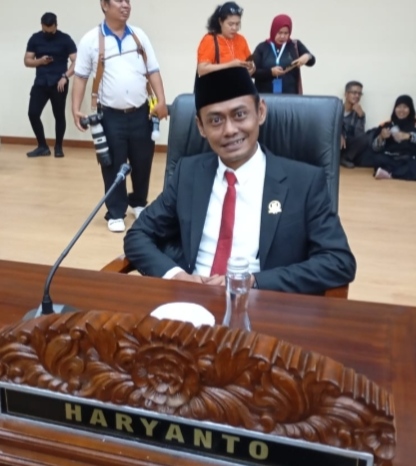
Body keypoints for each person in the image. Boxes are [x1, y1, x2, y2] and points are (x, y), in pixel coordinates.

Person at [124, 67, 356, 294]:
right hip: (190, 300)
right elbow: (138, 234)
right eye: (215, 120)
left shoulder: (304, 182)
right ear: (201, 127)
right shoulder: (188, 173)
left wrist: (253, 282)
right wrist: (177, 277)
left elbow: (338, 261)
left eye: (240, 115)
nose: (229, 130)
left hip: (262, 305)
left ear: (260, 112)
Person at [72, 0, 168, 233]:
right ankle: (115, 212)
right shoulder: (91, 40)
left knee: (142, 160)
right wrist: (75, 108)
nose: (125, 5)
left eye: (128, 1)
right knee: (112, 163)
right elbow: (81, 76)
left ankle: (139, 202)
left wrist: (161, 100)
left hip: (141, 112)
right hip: (110, 115)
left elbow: (153, 70)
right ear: (105, 5)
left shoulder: (139, 36)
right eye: (119, 1)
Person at [24, 12, 77, 158]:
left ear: (56, 25)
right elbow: (27, 60)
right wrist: (40, 61)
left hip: (59, 83)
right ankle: (42, 146)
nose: (48, 32)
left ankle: (58, 147)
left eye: (51, 30)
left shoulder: (65, 39)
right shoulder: (35, 38)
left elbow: (77, 60)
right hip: (41, 82)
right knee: (33, 113)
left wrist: (65, 76)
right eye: (45, 30)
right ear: (41, 25)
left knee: (59, 115)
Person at [252, 14, 315, 95]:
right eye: (279, 32)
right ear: (273, 31)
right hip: (265, 97)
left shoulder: (295, 45)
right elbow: (252, 72)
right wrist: (270, 72)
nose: (282, 36)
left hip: (290, 97)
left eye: (286, 33)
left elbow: (312, 61)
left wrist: (307, 56)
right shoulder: (262, 47)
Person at [197, 2, 255, 77]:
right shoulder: (210, 40)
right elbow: (201, 69)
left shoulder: (241, 39)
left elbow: (249, 63)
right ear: (220, 22)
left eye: (237, 24)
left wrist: (251, 68)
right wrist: (230, 65)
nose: (234, 28)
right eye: (230, 24)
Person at [371, 95, 416, 181]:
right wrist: (381, 137)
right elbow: (375, 148)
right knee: (377, 158)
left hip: (409, 159)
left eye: (405, 107)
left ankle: (389, 174)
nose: (401, 110)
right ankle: (400, 173)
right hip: (390, 158)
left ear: (410, 109)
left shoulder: (414, 125)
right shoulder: (387, 125)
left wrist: (409, 136)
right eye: (399, 107)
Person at [340, 81, 369, 168]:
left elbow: (359, 135)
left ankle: (345, 158)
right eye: (354, 93)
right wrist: (339, 134)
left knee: (367, 138)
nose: (357, 96)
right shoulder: (336, 108)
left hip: (348, 145)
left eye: (359, 94)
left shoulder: (359, 113)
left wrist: (360, 117)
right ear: (346, 94)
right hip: (336, 142)